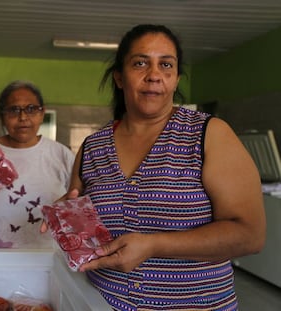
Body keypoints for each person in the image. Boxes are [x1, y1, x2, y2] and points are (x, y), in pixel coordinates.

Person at [46, 24, 266, 310]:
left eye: (166, 64)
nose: (154, 76)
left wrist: (155, 244)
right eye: (140, 63)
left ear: (175, 79)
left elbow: (250, 235)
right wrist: (67, 217)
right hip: (102, 302)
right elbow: (83, 226)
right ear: (119, 77)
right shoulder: (92, 148)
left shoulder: (208, 135)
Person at [0, 80, 75, 248]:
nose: (23, 117)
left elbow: (79, 210)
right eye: (13, 110)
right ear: (2, 116)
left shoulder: (62, 155)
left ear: (42, 113)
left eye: (31, 109)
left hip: (46, 263)